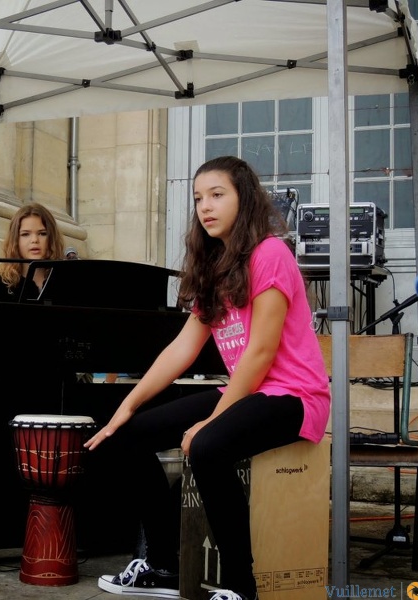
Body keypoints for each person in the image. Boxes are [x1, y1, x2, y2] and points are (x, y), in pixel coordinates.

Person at [84, 156, 330, 600]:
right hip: (249, 391)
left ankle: (241, 588)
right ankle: (162, 565)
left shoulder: (270, 253)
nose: (205, 206)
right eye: (199, 198)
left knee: (208, 445)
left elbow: (260, 352)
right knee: (128, 435)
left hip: (295, 395)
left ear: (245, 198)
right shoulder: (214, 265)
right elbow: (182, 348)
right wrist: (127, 406)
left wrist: (212, 419)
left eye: (218, 195)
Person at [0, 202, 64, 302]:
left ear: (52, 238)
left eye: (42, 233)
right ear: (15, 240)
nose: (34, 240)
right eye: (25, 234)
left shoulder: (67, 283)